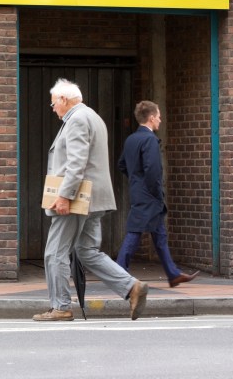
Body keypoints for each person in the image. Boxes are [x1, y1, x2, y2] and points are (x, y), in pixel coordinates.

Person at [34, 78, 149, 321]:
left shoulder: (76, 120)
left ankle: (61, 307)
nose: (53, 108)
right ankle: (131, 287)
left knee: (54, 253)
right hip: (94, 200)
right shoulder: (92, 116)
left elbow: (77, 162)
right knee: (86, 251)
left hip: (77, 201)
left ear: (63, 99)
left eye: (53, 103)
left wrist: (64, 196)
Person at [116, 100, 200, 287]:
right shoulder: (150, 140)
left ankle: (173, 274)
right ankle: (118, 273)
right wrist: (154, 192)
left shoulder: (131, 139)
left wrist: (136, 180)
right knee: (135, 233)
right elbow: (153, 171)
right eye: (159, 117)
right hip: (150, 196)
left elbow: (122, 164)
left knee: (159, 235)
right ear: (152, 118)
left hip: (139, 193)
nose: (160, 120)